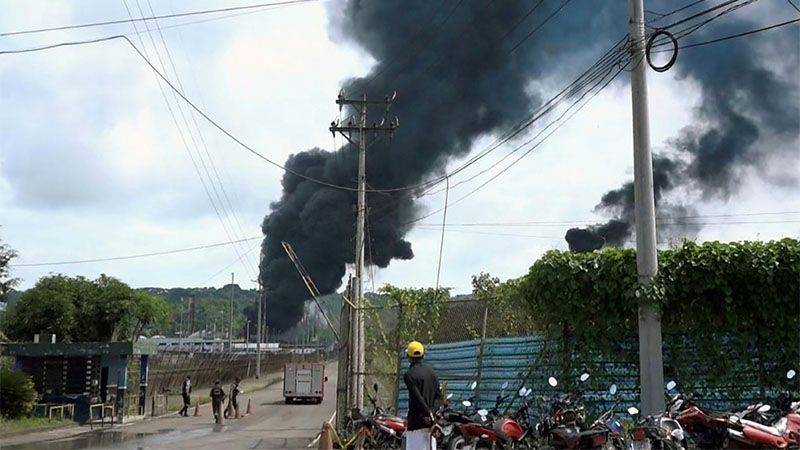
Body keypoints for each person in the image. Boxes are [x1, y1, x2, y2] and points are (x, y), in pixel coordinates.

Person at [402, 341, 440, 450]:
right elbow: (439, 397)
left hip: (416, 424)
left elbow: (417, 397)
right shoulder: (432, 373)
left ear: (408, 356)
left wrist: (426, 414)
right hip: (431, 426)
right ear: (423, 355)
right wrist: (432, 414)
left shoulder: (409, 375)